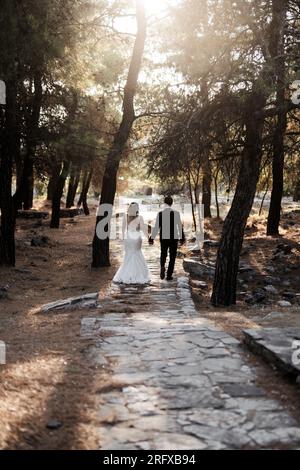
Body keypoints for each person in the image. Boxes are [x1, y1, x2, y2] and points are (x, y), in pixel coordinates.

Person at [113, 202, 150, 284]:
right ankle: (137, 274)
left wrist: (124, 239)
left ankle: (126, 274)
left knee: (128, 255)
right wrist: (149, 238)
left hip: (128, 238)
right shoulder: (140, 217)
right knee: (137, 253)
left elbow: (123, 229)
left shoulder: (125, 217)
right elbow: (144, 230)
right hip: (136, 237)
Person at [149, 196, 185, 281]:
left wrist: (152, 238)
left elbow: (157, 227)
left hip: (164, 237)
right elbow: (179, 226)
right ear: (172, 203)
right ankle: (169, 275)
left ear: (165, 203)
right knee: (172, 257)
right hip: (173, 238)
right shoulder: (176, 213)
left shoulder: (160, 214)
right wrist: (182, 237)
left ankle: (162, 266)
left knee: (163, 254)